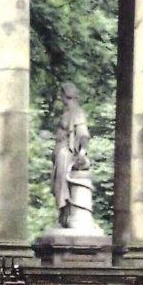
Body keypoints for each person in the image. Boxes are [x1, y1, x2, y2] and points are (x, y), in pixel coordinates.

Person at [52, 82, 90, 228]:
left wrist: (82, 153)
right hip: (60, 151)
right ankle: (63, 215)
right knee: (57, 184)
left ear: (66, 95)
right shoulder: (67, 112)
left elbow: (83, 134)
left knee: (61, 183)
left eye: (62, 95)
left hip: (66, 153)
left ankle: (65, 214)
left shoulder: (77, 112)